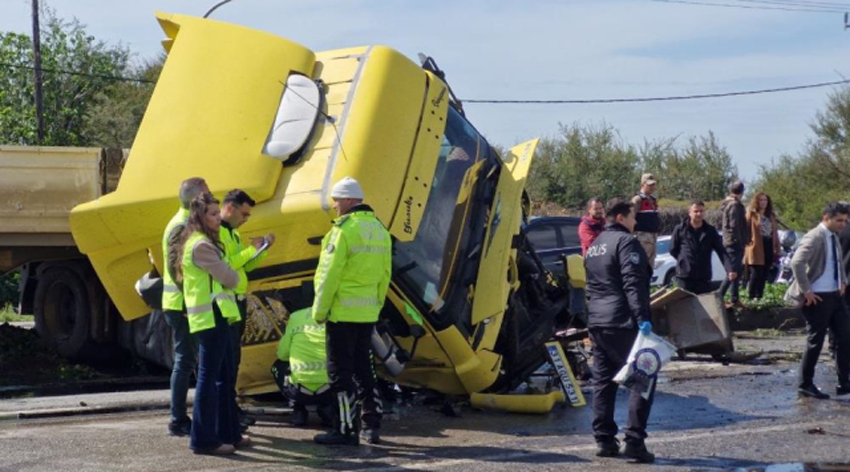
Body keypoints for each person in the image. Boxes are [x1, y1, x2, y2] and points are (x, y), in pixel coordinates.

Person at [312, 177, 392, 446]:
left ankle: (344, 430)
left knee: (339, 374)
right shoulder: (380, 230)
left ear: (348, 201)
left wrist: (319, 311)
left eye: (336, 200)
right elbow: (385, 275)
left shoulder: (342, 231)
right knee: (364, 371)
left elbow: (327, 276)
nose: (334, 206)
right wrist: (375, 306)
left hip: (341, 315)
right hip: (367, 314)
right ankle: (370, 426)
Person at [177, 193, 258, 455]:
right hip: (210, 318)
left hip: (217, 315)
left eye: (216, 212)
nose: (217, 218)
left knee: (222, 378)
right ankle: (203, 440)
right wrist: (232, 272)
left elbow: (228, 274)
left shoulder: (207, 243)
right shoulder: (201, 245)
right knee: (209, 380)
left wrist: (231, 270)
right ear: (200, 217)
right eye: (212, 214)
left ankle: (228, 433)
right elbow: (230, 277)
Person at [584, 198, 656, 464]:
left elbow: (590, 286)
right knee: (644, 376)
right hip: (622, 321)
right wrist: (642, 318)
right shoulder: (627, 243)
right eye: (633, 217)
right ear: (622, 217)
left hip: (598, 322)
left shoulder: (595, 246)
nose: (636, 221)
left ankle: (604, 440)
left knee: (603, 382)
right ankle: (635, 441)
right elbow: (633, 283)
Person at [219, 189, 275, 429]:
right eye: (244, 214)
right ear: (229, 208)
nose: (246, 219)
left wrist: (261, 250)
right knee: (227, 362)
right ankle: (227, 411)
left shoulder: (233, 233)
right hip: (226, 304)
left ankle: (231, 408)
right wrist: (252, 250)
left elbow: (244, 267)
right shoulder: (218, 234)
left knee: (234, 360)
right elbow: (226, 265)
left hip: (238, 301)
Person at [784, 202, 850, 399]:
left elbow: (838, 261)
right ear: (826, 218)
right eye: (839, 220)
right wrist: (807, 291)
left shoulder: (833, 237)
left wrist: (843, 281)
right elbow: (797, 261)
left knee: (845, 337)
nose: (843, 224)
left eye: (845, 221)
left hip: (835, 295)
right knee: (815, 342)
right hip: (818, 298)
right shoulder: (815, 236)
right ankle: (805, 384)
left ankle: (844, 382)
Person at [161, 177, 208, 437]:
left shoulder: (185, 222)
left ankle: (181, 417)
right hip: (181, 305)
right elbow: (173, 266)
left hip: (182, 303)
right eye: (206, 194)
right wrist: (189, 301)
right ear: (195, 200)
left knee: (188, 359)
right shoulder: (182, 225)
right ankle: (177, 419)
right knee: (185, 360)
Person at [271, 308, 334, 427]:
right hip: (330, 389)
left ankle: (297, 408)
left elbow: (282, 355)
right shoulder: (337, 315)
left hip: (299, 391)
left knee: (278, 366)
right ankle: (328, 409)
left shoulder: (296, 317)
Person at [669, 200, 736, 294]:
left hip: (703, 276)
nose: (699, 213)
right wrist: (683, 260)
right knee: (684, 306)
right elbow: (673, 249)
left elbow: (721, 251)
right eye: (696, 211)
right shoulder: (680, 229)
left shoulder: (710, 231)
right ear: (690, 213)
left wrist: (730, 270)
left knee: (703, 307)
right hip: (685, 277)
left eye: (701, 211)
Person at [719, 181, 750, 309]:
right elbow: (734, 225)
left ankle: (734, 298)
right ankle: (719, 297)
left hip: (732, 241)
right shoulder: (734, 205)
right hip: (734, 243)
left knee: (735, 272)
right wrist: (742, 239)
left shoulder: (730, 204)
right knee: (731, 273)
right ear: (742, 192)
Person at [743, 192, 780, 300]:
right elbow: (746, 230)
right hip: (756, 246)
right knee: (755, 273)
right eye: (761, 200)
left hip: (768, 244)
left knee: (764, 273)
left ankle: (759, 296)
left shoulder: (771, 215)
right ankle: (751, 297)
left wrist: (777, 247)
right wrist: (748, 243)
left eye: (765, 200)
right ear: (756, 201)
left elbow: (775, 233)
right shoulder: (751, 214)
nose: (763, 202)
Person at [631, 173, 661, 267]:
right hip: (642, 237)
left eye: (653, 184)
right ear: (643, 184)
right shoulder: (637, 199)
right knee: (641, 265)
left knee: (650, 267)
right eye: (649, 185)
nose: (652, 187)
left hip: (653, 237)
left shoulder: (653, 199)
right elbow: (631, 218)